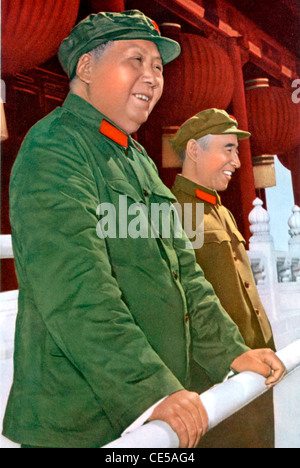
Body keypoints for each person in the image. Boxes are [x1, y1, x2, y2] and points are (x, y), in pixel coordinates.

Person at [3, 12, 285, 449]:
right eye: (135, 59)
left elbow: (186, 275)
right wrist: (149, 389)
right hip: (83, 423)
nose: (153, 77)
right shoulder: (55, 149)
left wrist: (231, 351)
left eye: (157, 66)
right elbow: (76, 287)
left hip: (160, 410)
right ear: (86, 68)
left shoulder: (137, 161)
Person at [171, 108, 277, 447]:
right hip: (216, 381)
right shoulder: (172, 213)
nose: (237, 161)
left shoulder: (223, 212)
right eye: (227, 149)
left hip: (254, 373)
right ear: (193, 150)